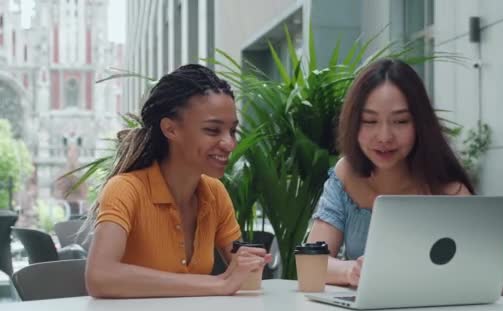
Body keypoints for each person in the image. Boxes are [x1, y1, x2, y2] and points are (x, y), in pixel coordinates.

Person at [85, 64, 271, 298]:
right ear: (170, 129)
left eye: (232, 131)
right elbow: (100, 276)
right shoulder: (126, 189)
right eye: (213, 131)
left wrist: (249, 265)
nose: (230, 144)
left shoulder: (215, 193)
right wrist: (218, 284)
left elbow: (240, 275)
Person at [308, 58, 474, 287]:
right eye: (370, 121)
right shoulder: (346, 175)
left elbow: (479, 274)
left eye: (400, 121)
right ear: (354, 124)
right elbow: (310, 263)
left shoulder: (451, 193)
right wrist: (351, 271)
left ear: (420, 124)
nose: (384, 136)